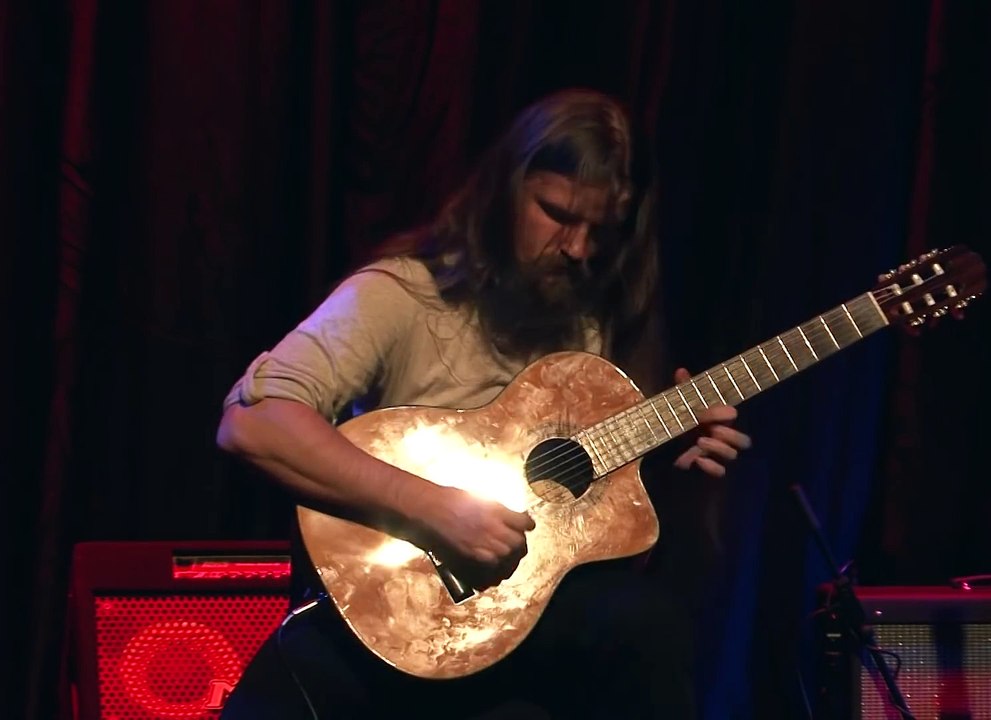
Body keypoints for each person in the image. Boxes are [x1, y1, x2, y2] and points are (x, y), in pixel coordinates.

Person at [214, 88, 752, 719]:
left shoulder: (593, 321)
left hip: (521, 619)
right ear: (504, 189)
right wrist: (434, 509)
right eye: (555, 213)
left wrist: (665, 465)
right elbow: (253, 423)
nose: (577, 248)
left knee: (647, 626)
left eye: (599, 231)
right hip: (390, 606)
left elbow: (582, 522)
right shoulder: (401, 294)